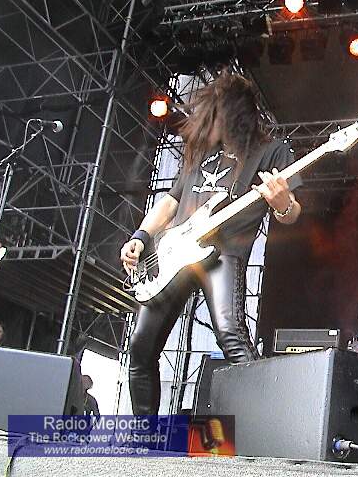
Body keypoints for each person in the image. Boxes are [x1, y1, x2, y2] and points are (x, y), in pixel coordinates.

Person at [120, 70, 302, 415]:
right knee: (140, 348)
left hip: (224, 252)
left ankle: (266, 426)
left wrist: (282, 205)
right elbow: (170, 202)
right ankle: (146, 438)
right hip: (176, 254)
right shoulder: (201, 154)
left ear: (236, 116)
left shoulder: (271, 152)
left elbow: (292, 212)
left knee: (231, 336)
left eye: (215, 116)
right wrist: (141, 236)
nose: (207, 124)